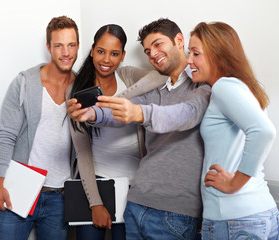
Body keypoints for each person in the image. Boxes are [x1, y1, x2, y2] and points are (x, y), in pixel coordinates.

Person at [67, 18, 211, 240]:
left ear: (179, 40)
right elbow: (123, 112)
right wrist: (93, 114)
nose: (152, 54)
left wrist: (139, 113)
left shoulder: (202, 87)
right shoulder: (155, 90)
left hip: (173, 210)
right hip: (137, 203)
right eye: (147, 50)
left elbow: (186, 114)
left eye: (158, 44)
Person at [67, 24, 167, 240]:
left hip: (134, 186)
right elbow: (82, 152)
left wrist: (119, 99)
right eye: (101, 51)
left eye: (114, 54)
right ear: (92, 50)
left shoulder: (128, 76)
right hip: (95, 183)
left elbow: (162, 76)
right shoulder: (78, 89)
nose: (106, 60)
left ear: (122, 56)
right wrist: (95, 203)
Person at [0, 16, 79, 240]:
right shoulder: (24, 82)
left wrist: (76, 181)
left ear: (78, 46)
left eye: (71, 45)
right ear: (49, 47)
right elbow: (6, 135)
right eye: (59, 45)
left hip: (60, 196)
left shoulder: (81, 87)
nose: (66, 52)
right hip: (19, 190)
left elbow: (87, 143)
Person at [187, 21, 279, 240]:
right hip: (254, 214)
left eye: (195, 53)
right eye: (188, 52)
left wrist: (234, 183)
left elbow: (264, 132)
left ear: (217, 55)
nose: (188, 60)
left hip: (234, 220)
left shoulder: (224, 87)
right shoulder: (243, 87)